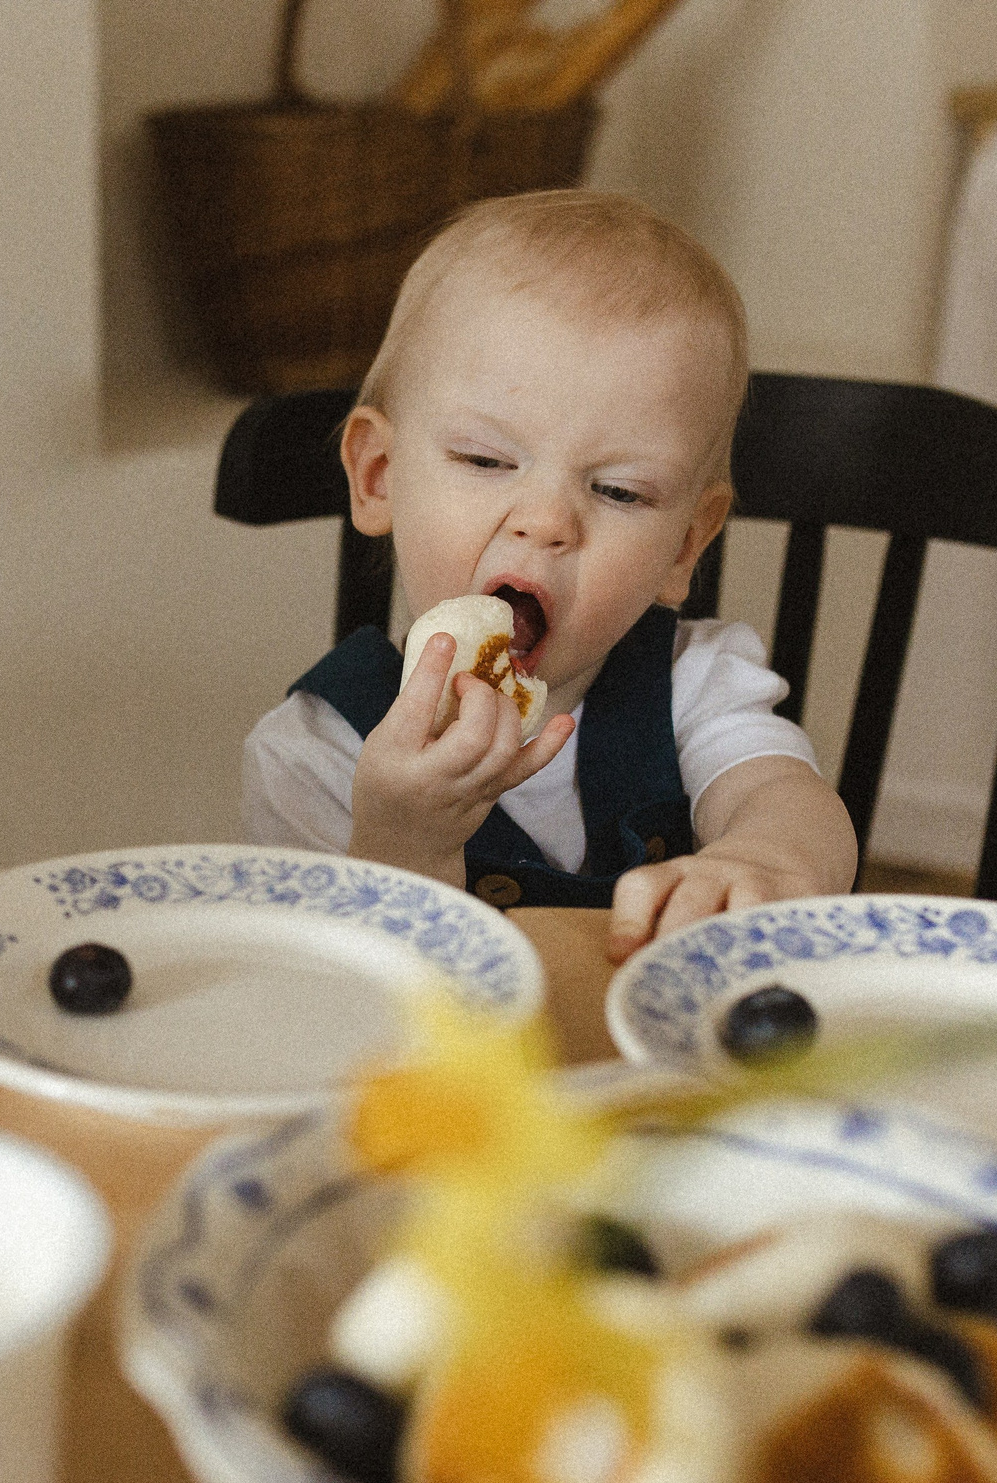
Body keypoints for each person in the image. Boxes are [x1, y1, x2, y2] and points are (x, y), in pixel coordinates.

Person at [241, 189, 855, 958]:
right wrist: (404, 839)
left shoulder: (695, 684)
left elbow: (786, 802)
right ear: (378, 476)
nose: (548, 521)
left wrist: (765, 859)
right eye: (486, 460)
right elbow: (331, 1007)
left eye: (620, 491)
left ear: (684, 548)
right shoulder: (316, 753)